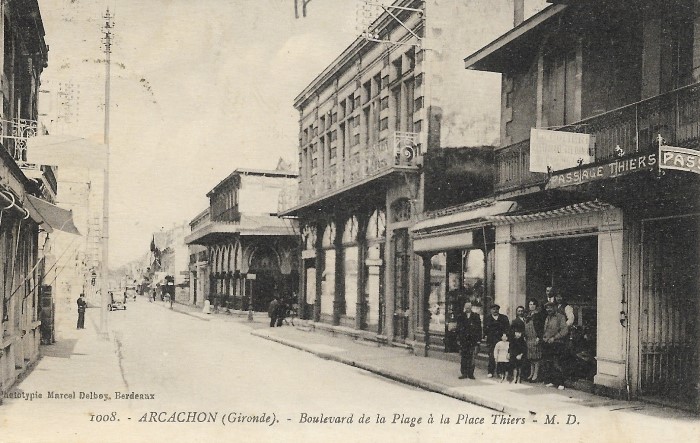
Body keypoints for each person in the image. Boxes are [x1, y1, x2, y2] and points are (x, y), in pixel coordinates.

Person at [542, 302, 569, 390]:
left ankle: (561, 383)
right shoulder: (547, 317)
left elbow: (564, 330)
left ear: (555, 308)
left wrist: (554, 338)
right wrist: (545, 337)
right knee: (549, 362)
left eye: (550, 308)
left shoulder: (560, 317)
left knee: (558, 363)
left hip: (558, 343)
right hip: (548, 343)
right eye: (547, 308)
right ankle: (553, 381)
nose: (548, 310)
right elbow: (546, 330)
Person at [456, 299, 482, 380]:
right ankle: (464, 373)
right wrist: (458, 339)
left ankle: (471, 373)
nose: (467, 309)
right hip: (464, 340)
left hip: (472, 340)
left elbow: (479, 329)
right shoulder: (461, 316)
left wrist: (478, 340)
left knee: (472, 357)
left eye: (469, 307)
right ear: (464, 308)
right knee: (464, 356)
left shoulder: (476, 316)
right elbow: (458, 329)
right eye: (466, 307)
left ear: (471, 308)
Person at [483, 304, 510, 378]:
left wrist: (505, 335)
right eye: (493, 309)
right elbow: (485, 329)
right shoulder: (487, 318)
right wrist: (485, 336)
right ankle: (490, 371)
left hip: (501, 339)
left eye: (496, 309)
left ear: (499, 310)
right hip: (491, 340)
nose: (495, 311)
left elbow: (507, 328)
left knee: (501, 356)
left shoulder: (504, 318)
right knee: (492, 356)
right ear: (490, 310)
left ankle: (500, 372)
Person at [524, 298, 545, 382]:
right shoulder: (528, 315)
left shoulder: (538, 315)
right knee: (530, 357)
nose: (531, 306)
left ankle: (536, 374)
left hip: (535, 337)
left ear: (536, 306)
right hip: (529, 337)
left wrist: (539, 337)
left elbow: (540, 328)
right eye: (530, 304)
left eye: (533, 304)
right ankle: (531, 374)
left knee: (536, 357)